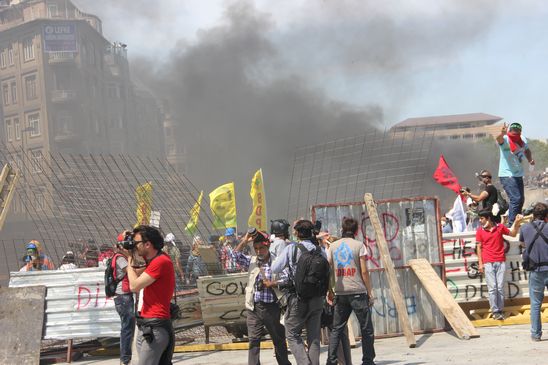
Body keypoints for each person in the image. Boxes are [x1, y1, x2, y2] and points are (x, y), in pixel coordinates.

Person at [232, 229, 291, 365]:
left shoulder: (277, 261)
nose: (259, 251)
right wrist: (245, 241)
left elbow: (288, 278)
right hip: (254, 307)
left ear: (268, 247)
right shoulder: (252, 261)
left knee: (278, 340)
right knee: (253, 340)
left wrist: (273, 283)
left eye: (262, 248)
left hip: (272, 308)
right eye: (256, 248)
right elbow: (234, 256)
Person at [271, 220, 326, 365]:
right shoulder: (320, 250)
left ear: (297, 233)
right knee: (314, 336)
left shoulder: (292, 249)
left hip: (298, 298)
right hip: (317, 298)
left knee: (292, 333)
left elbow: (275, 268)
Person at [122, 225, 175, 365]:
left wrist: (129, 259)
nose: (135, 246)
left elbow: (134, 286)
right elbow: (138, 273)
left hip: (156, 326)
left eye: (137, 243)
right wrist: (131, 240)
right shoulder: (156, 260)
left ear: (148, 244)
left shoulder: (160, 262)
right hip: (146, 324)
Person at [326, 217, 375, 365]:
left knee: (336, 330)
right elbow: (364, 271)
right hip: (358, 292)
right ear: (356, 230)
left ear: (342, 228)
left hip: (340, 293)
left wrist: (330, 290)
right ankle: (367, 361)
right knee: (366, 329)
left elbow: (328, 270)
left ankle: (331, 361)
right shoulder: (359, 245)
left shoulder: (333, 247)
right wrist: (369, 292)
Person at [476, 209, 523, 320]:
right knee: (492, 288)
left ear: (488, 218)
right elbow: (478, 247)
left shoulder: (500, 228)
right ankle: (495, 311)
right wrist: (480, 264)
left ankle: (500, 310)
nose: (480, 221)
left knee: (500, 288)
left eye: (482, 218)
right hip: (488, 263)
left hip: (500, 261)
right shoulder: (479, 231)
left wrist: (516, 223)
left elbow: (513, 234)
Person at [519, 202, 548, 341]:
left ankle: (536, 334)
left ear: (533, 215)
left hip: (535, 271)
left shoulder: (525, 228)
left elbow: (523, 244)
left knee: (535, 304)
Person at [496, 122, 535, 226]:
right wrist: (501, 133)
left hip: (518, 174)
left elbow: (527, 150)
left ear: (520, 132)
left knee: (521, 199)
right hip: (506, 174)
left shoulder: (522, 140)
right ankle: (512, 224)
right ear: (510, 130)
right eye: (513, 130)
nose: (514, 132)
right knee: (515, 198)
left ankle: (517, 221)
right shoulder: (505, 138)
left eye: (517, 130)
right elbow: (498, 139)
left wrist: (530, 160)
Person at [113, 234, 136, 365]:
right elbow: (131, 270)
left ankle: (125, 358)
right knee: (127, 328)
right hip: (123, 297)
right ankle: (125, 359)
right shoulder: (121, 259)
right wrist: (130, 256)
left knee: (127, 327)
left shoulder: (118, 257)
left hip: (122, 296)